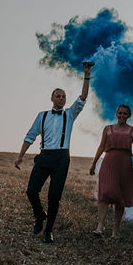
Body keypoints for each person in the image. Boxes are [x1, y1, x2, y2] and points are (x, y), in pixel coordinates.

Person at [14, 62, 93, 243]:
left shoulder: (70, 114)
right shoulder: (42, 116)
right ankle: (40, 215)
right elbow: (30, 136)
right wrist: (20, 156)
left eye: (64, 96)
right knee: (31, 191)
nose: (61, 99)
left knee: (54, 197)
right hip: (44, 156)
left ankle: (48, 231)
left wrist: (86, 75)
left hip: (61, 158)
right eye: (58, 96)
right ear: (52, 99)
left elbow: (83, 96)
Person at [88, 103, 133, 238]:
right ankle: (100, 226)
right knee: (105, 193)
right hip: (109, 162)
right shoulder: (108, 129)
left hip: (124, 164)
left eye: (125, 113)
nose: (122, 115)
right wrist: (94, 163)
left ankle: (115, 230)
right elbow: (101, 147)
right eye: (120, 113)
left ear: (128, 116)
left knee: (121, 197)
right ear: (116, 114)